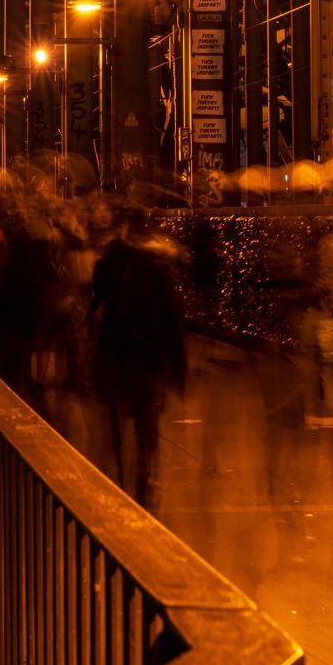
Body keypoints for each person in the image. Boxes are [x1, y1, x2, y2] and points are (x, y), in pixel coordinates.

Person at [90, 202, 186, 508]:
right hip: (148, 354)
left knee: (118, 418)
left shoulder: (109, 262)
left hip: (118, 351)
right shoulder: (157, 265)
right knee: (147, 423)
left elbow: (97, 301)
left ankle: (120, 473)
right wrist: (178, 364)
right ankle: (145, 479)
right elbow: (169, 316)